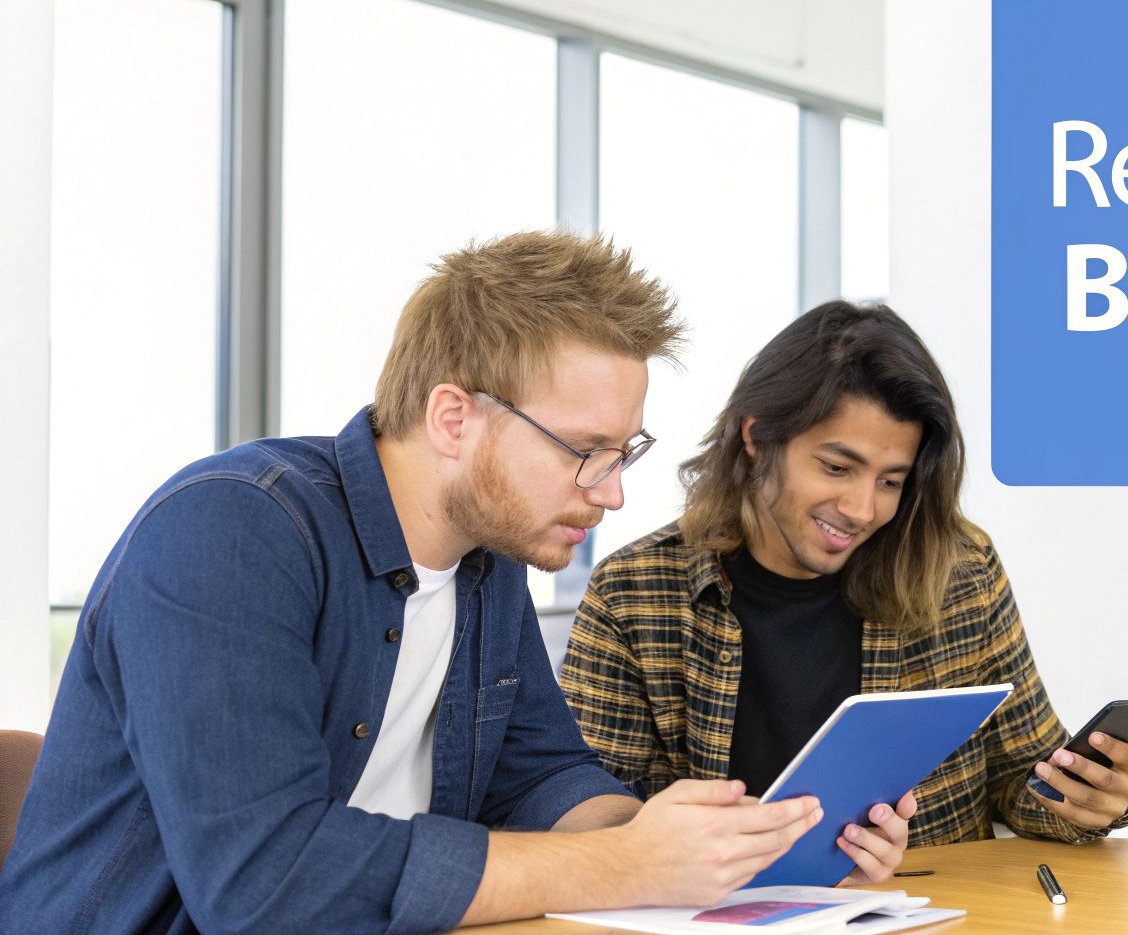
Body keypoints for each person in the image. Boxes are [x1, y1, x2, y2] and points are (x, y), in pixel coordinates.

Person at [0, 232, 821, 935]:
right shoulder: (230, 532)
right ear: (453, 417)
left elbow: (540, 777)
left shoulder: (486, 559)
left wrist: (694, 845)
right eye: (584, 450)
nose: (611, 493)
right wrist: (622, 865)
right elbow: (262, 886)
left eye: (622, 453)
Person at [560, 301, 1128, 884]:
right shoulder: (634, 592)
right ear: (756, 437)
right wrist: (700, 845)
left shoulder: (960, 570)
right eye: (836, 467)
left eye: (891, 481)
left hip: (929, 908)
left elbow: (1020, 782)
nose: (860, 509)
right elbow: (582, 808)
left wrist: (1087, 797)